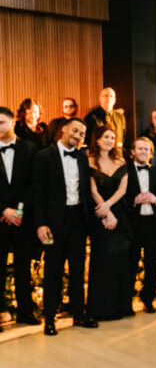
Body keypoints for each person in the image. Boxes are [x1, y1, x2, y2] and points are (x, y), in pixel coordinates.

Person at [33, 117, 97, 334]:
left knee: (78, 270)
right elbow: (37, 193)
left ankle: (79, 315)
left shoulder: (81, 157)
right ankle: (50, 318)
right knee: (53, 271)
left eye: (82, 134)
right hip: (53, 224)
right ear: (64, 129)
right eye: (76, 130)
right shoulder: (44, 156)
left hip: (78, 220)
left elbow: (85, 192)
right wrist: (41, 224)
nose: (78, 136)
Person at [85, 125, 134, 321]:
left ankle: (121, 306)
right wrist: (104, 211)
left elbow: (122, 190)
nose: (110, 140)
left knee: (119, 261)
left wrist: (110, 208)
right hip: (98, 215)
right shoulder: (89, 161)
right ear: (97, 139)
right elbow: (93, 190)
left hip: (118, 215)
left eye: (112, 137)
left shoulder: (121, 160)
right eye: (106, 137)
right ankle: (101, 309)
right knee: (102, 261)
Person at [0, 106, 39, 327]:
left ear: (13, 122)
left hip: (23, 219)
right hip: (0, 218)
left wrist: (20, 211)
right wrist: (4, 210)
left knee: (24, 267)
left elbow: (34, 185)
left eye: (2, 122)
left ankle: (26, 312)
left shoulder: (31, 149)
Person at [126, 137, 156, 313]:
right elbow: (120, 197)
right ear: (132, 152)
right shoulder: (126, 173)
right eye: (140, 149)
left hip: (153, 225)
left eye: (146, 149)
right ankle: (127, 301)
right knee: (131, 264)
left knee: (152, 265)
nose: (143, 152)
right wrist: (133, 200)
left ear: (151, 153)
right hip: (134, 225)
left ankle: (148, 299)